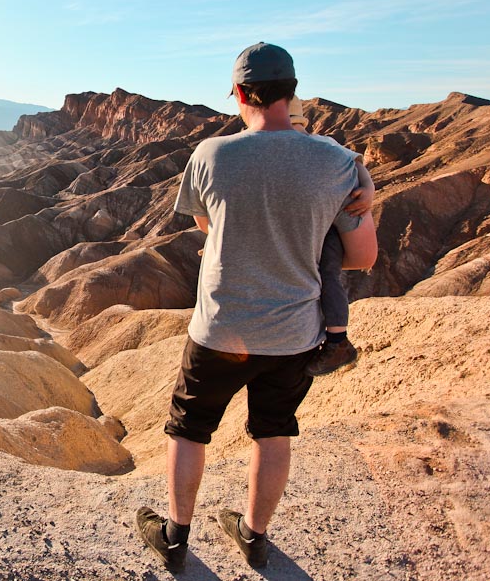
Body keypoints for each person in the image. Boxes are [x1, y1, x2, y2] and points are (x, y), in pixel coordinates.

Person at [135, 42, 378, 572]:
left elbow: (205, 226)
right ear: (291, 92)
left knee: (189, 427)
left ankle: (175, 537)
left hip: (221, 329)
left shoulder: (211, 155)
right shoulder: (338, 162)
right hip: (296, 333)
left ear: (242, 93)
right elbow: (363, 257)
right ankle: (254, 536)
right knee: (273, 431)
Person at [287, 96, 376, 376]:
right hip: (309, 224)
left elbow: (357, 162)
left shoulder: (325, 145)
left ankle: (338, 341)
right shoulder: (299, 148)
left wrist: (369, 187)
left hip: (329, 230)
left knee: (327, 274)